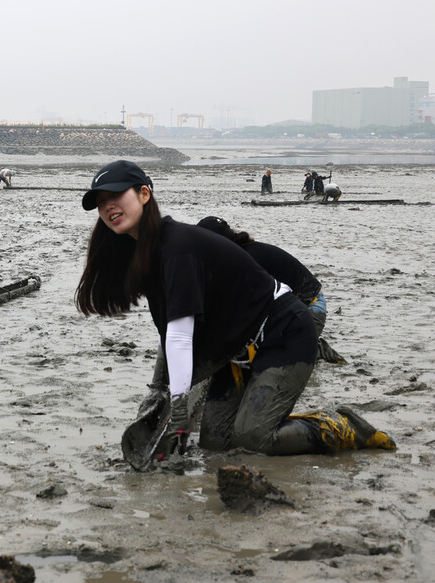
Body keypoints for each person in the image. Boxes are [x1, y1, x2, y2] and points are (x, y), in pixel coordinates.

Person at [76, 160, 394, 460]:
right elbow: (168, 333)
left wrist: (178, 401)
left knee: (254, 439)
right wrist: (159, 392)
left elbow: (179, 336)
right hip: (236, 350)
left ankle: (343, 426)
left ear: (144, 194)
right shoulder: (148, 256)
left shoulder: (177, 248)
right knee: (216, 443)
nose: (108, 207)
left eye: (115, 195)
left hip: (284, 335)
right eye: (100, 202)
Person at [196, 216, 345, 364]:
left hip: (311, 307)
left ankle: (315, 348)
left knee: (273, 358)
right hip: (291, 308)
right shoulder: (239, 254)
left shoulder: (247, 258)